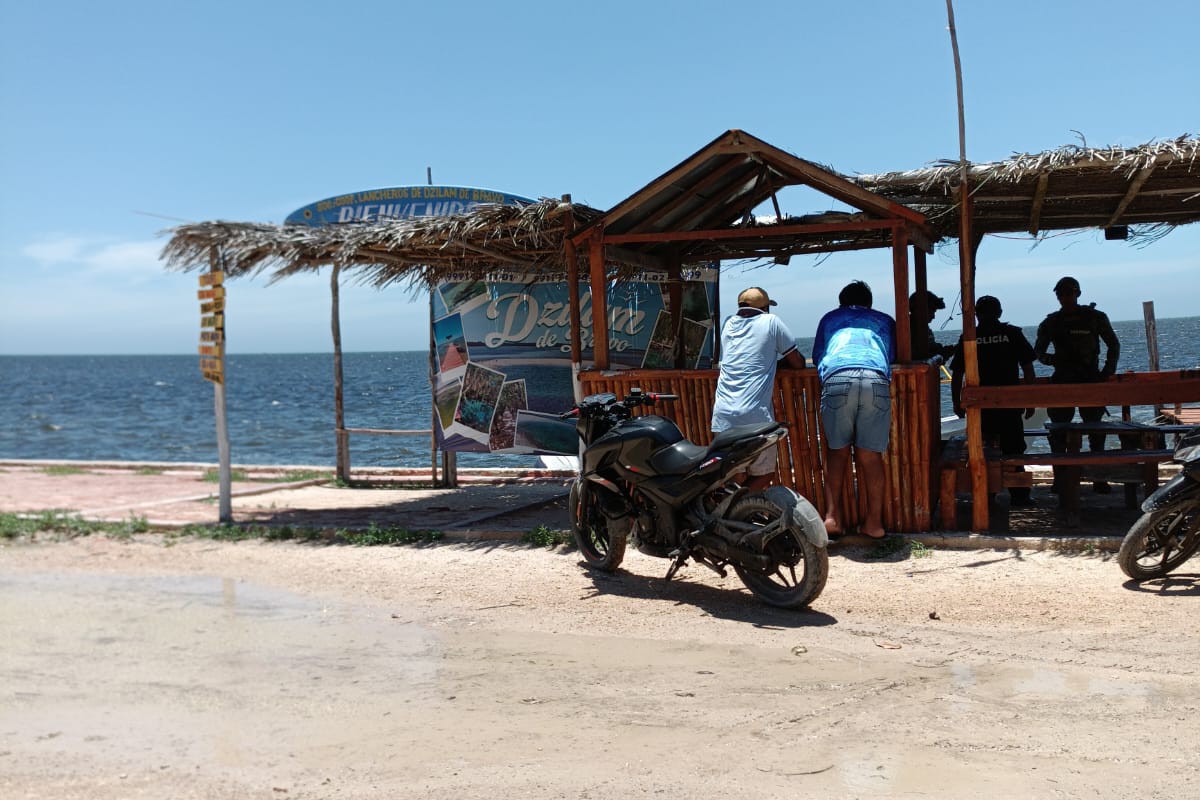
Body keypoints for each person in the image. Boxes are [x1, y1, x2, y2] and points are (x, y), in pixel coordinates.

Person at [813, 280, 896, 539]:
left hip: (837, 377)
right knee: (870, 456)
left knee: (837, 452)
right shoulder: (884, 320)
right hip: (874, 378)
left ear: (841, 303)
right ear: (869, 303)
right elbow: (892, 355)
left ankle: (832, 518)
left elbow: (818, 356)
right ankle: (874, 523)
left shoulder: (829, 318)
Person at [711, 286, 807, 491]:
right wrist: (776, 364)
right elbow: (798, 362)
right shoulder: (771, 321)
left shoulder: (728, 323)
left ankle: (730, 508)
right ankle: (739, 506)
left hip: (723, 415)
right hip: (754, 415)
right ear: (765, 308)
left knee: (733, 474)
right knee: (764, 474)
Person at [1034, 276, 1121, 493]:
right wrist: (1055, 360)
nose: (1065, 297)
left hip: (1090, 380)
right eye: (1061, 294)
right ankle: (1060, 479)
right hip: (1062, 382)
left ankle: (1098, 478)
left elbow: (1113, 344)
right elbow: (1038, 352)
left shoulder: (1095, 317)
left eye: (1069, 293)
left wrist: (1107, 372)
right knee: (1058, 433)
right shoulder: (1051, 322)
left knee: (1096, 431)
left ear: (1077, 294)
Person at [950, 295, 1038, 506]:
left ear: (977, 314)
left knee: (983, 450)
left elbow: (958, 374)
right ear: (999, 312)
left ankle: (987, 495)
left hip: (981, 406)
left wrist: (957, 401)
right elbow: (1028, 367)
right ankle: (1020, 495)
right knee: (1014, 449)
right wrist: (1030, 399)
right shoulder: (1012, 333)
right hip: (1009, 404)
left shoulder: (969, 337)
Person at [909, 289, 956, 362]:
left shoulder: (922, 328)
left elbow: (931, 348)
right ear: (919, 310)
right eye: (932, 311)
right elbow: (919, 355)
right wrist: (943, 353)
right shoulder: (910, 330)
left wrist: (945, 351)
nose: (933, 316)